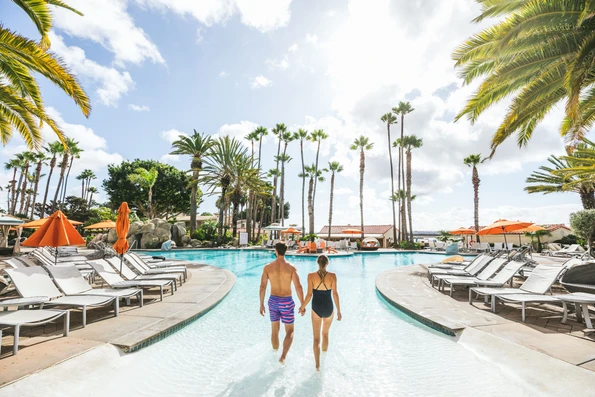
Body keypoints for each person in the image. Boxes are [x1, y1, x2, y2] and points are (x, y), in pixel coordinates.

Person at [260, 242, 305, 364]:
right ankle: (283, 357)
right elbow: (298, 287)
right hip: (286, 301)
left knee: (275, 330)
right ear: (285, 251)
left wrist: (261, 304)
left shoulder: (268, 267)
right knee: (290, 331)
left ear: (276, 251)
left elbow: (263, 286)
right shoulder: (291, 268)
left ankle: (274, 354)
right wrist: (303, 304)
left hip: (273, 301)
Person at [299, 254, 342, 371]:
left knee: (316, 339)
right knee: (325, 334)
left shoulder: (311, 276)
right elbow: (335, 294)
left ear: (317, 263)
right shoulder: (332, 276)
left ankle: (317, 366)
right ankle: (324, 358)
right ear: (327, 263)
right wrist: (338, 311)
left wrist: (302, 307)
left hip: (316, 308)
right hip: (329, 308)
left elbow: (309, 295)